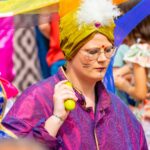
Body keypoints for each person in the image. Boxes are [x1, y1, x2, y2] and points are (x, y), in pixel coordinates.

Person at [1, 0, 148, 149]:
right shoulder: (37, 99)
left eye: (108, 50)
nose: (103, 58)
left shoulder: (119, 111)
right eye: (92, 52)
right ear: (70, 52)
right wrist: (55, 121)